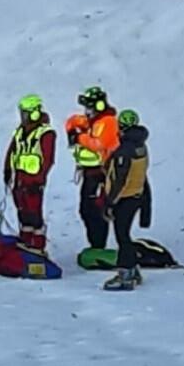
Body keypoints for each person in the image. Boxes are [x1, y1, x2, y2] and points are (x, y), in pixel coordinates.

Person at [3, 94, 56, 255]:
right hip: (19, 178)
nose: (23, 117)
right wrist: (7, 170)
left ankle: (38, 244)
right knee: (22, 210)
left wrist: (39, 180)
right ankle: (25, 240)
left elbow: (47, 159)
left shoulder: (45, 133)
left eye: (26, 113)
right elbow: (12, 151)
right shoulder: (20, 131)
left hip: (33, 180)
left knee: (34, 213)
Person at [102, 109, 149, 291]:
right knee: (125, 234)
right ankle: (133, 269)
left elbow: (120, 179)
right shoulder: (141, 146)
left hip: (125, 197)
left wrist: (110, 201)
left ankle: (125, 273)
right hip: (137, 194)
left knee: (122, 235)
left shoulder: (125, 151)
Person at [67, 86, 119, 249]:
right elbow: (72, 121)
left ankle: (98, 245)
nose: (87, 110)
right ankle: (95, 244)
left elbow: (98, 144)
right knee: (86, 210)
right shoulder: (93, 121)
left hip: (102, 174)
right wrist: (72, 130)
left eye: (90, 106)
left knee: (95, 211)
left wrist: (79, 137)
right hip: (90, 173)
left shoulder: (108, 122)